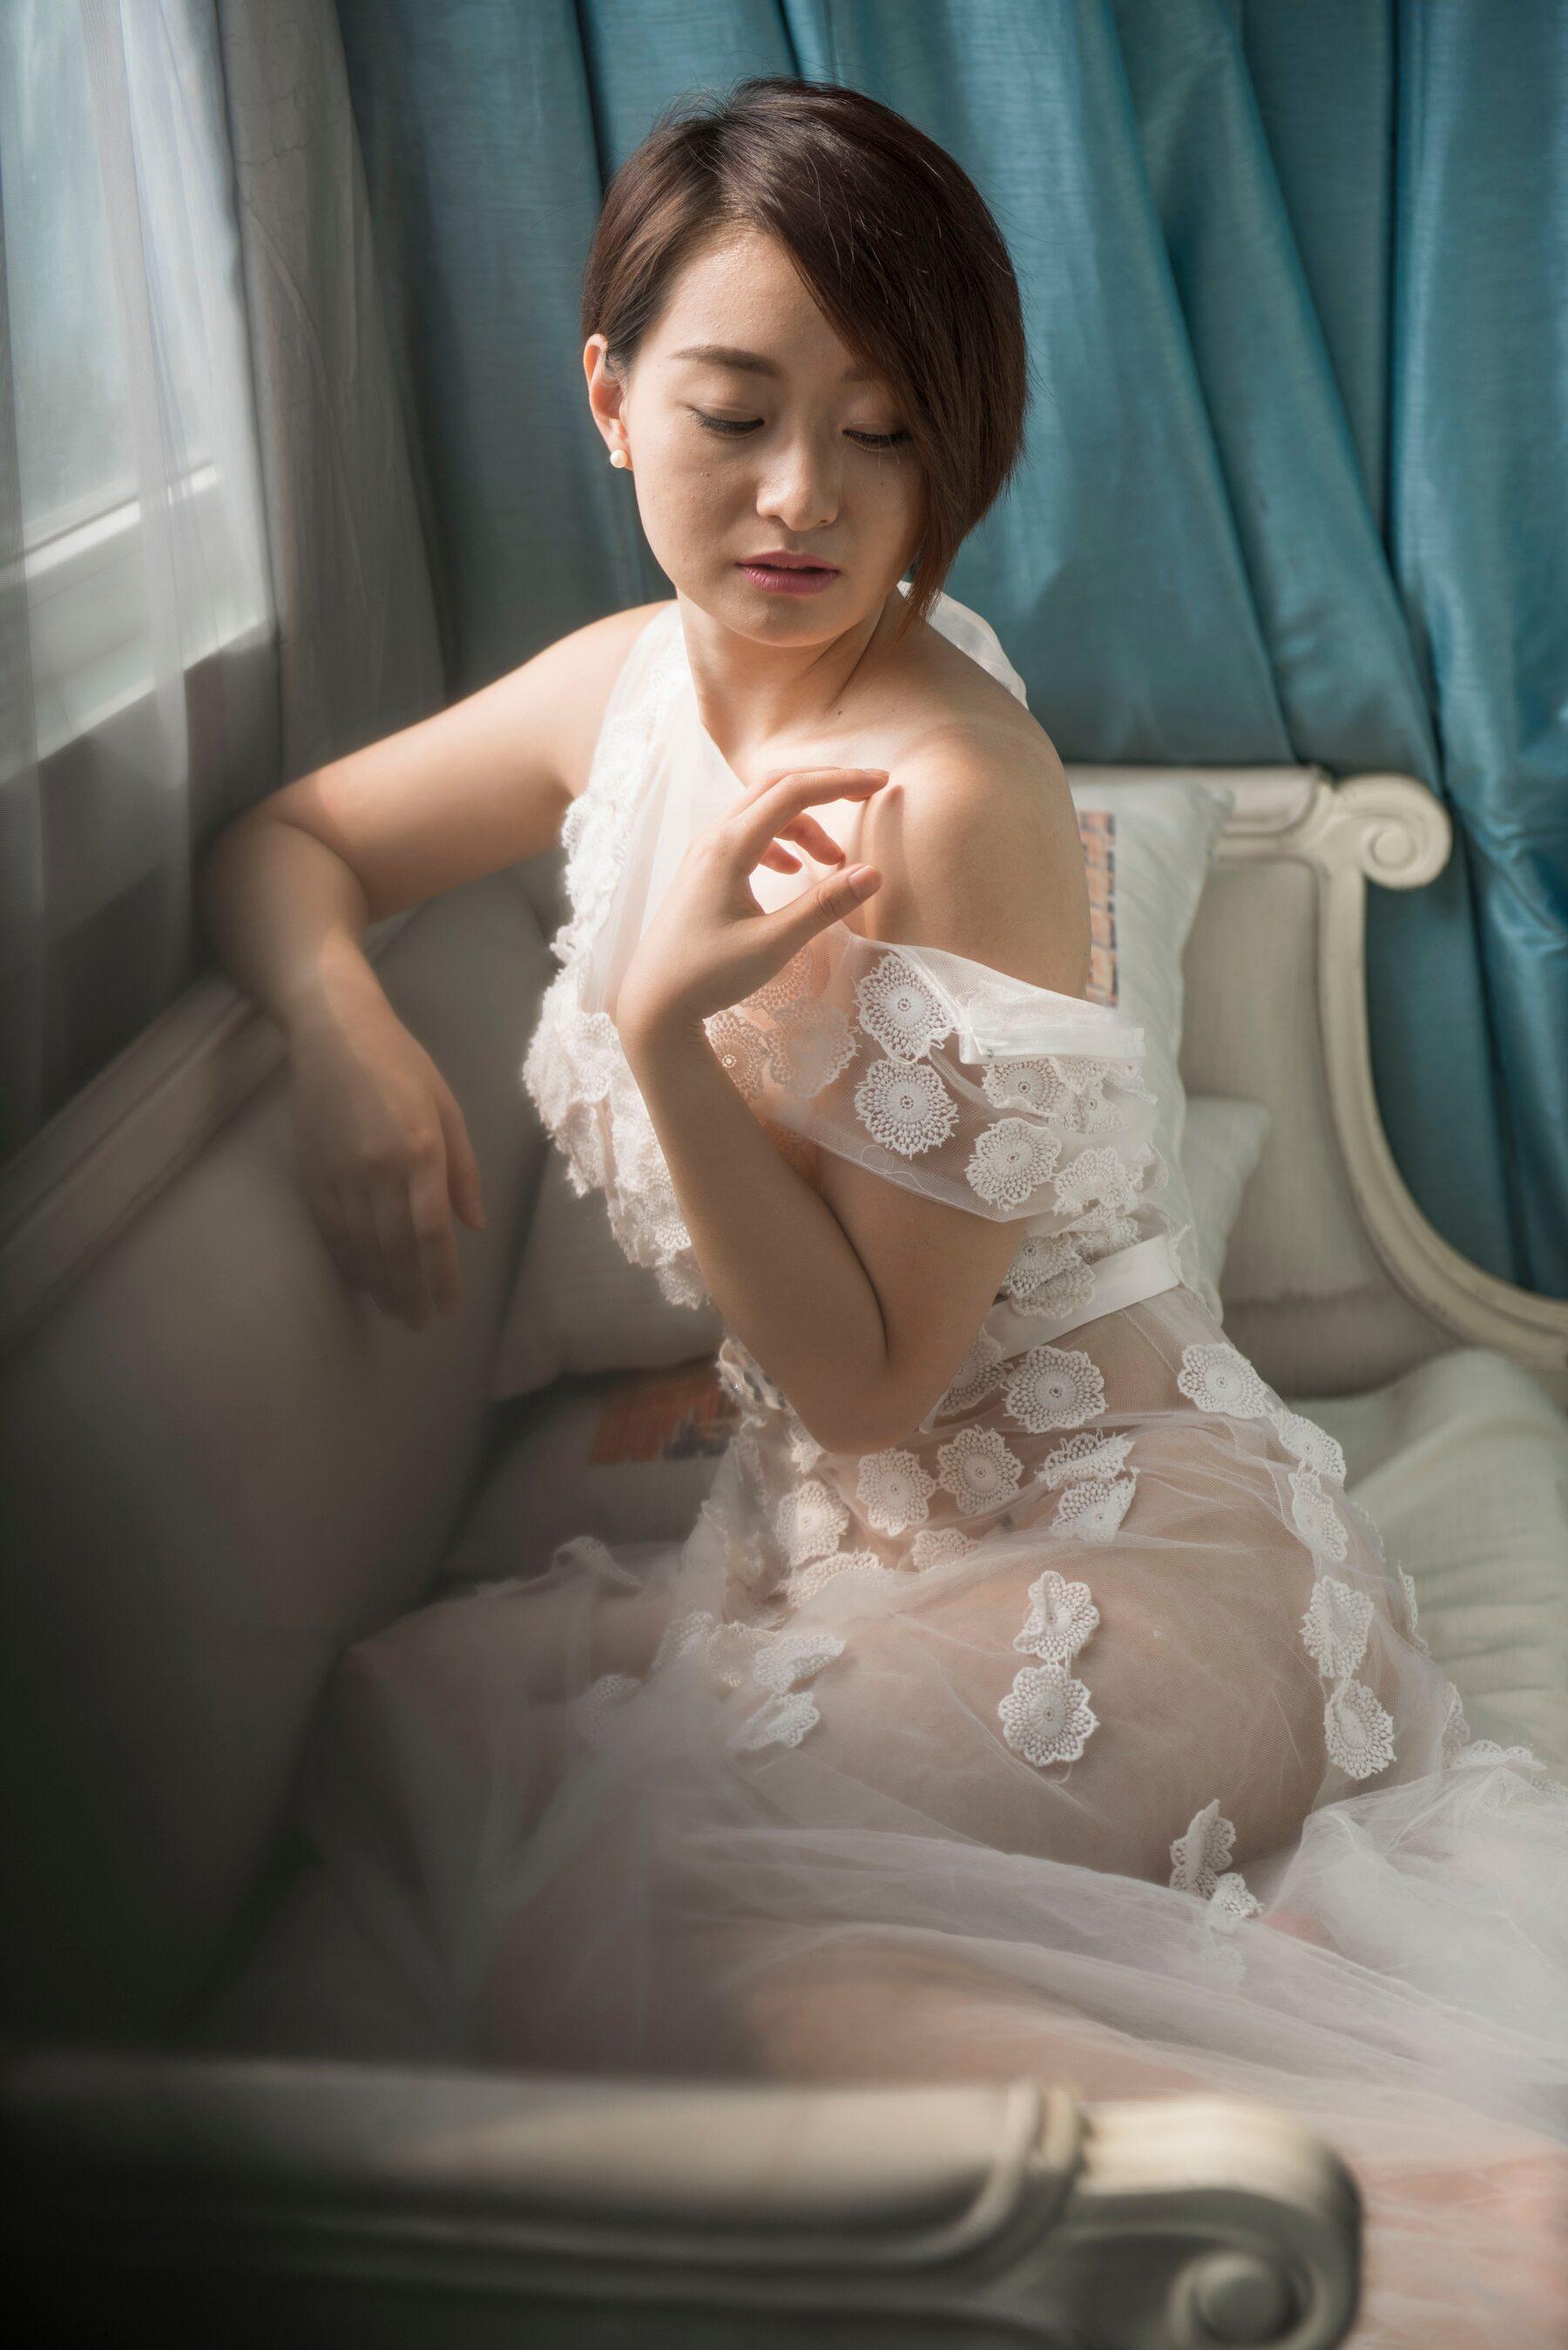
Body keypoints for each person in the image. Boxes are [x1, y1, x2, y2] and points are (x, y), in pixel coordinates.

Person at [199, 78, 1567, 2350]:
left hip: (1139, 1556)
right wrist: (340, 1024)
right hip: (857, 1547)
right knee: (420, 1729)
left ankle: (1426, 2217)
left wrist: (665, 1030)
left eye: (884, 433)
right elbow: (290, 842)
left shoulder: (952, 791)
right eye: (735, 413)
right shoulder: (620, 691)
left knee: (643, 1911)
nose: (803, 500)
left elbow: (867, 1378)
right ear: (612, 395)